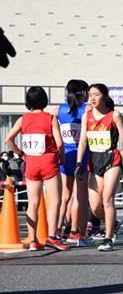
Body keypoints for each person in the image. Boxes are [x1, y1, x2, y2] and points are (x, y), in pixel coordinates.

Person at [4, 86, 69, 251]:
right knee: (54, 200)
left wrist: (20, 153)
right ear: (44, 100)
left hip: (31, 162)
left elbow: (8, 139)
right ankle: (52, 236)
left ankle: (33, 239)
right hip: (48, 160)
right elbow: (60, 143)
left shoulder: (23, 119)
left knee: (33, 202)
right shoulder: (50, 118)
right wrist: (61, 156)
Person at [75, 83, 123, 251]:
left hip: (111, 158)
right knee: (95, 206)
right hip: (94, 160)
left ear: (105, 96)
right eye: (90, 95)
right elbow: (82, 141)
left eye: (96, 94)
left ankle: (108, 238)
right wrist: (79, 162)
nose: (92, 98)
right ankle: (114, 223)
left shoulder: (114, 115)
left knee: (107, 198)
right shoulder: (86, 116)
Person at [54, 79, 95, 247]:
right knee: (80, 196)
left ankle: (57, 230)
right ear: (84, 93)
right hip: (82, 156)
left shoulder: (58, 110)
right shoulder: (87, 109)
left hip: (66, 155)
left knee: (64, 196)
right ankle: (77, 232)